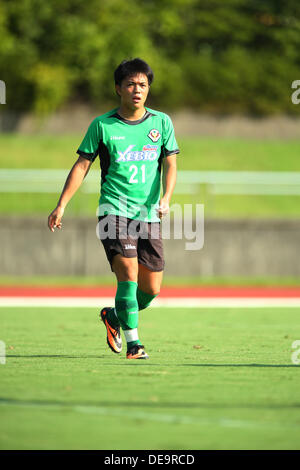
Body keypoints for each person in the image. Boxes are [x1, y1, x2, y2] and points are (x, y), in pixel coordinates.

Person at [48, 58, 179, 359]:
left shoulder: (162, 123)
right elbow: (82, 166)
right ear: (118, 88)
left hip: (149, 216)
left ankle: (113, 317)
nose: (137, 90)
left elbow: (170, 163)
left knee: (150, 290)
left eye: (143, 85)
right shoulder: (102, 125)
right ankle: (135, 345)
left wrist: (166, 197)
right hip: (114, 212)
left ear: (148, 89)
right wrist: (61, 205)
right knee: (128, 274)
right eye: (131, 84)